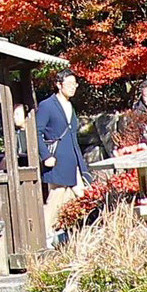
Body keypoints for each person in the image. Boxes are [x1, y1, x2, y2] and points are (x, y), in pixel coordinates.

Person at [35, 71, 92, 238]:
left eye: (74, 84)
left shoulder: (70, 106)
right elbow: (36, 132)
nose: (72, 88)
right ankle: (44, 234)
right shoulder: (47, 105)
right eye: (69, 84)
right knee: (56, 197)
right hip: (56, 158)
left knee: (80, 194)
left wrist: (81, 164)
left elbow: (72, 135)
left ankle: (67, 232)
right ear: (59, 85)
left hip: (72, 158)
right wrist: (45, 156)